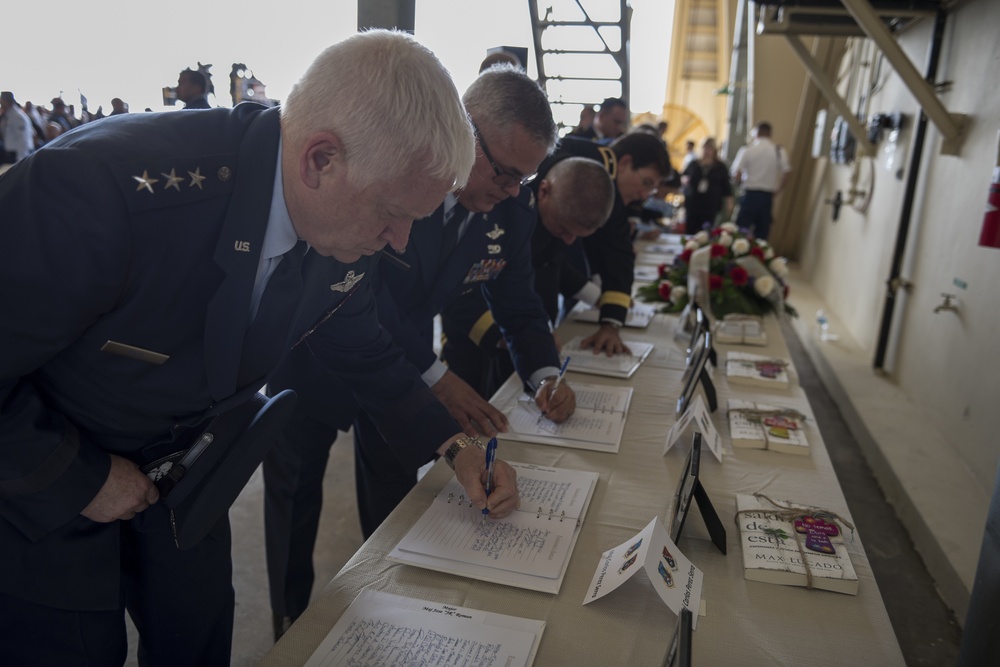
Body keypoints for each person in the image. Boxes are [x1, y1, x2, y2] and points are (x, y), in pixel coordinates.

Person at [0, 30, 520, 666]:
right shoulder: (101, 191)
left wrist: (455, 446)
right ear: (319, 160)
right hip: (43, 482)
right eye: (391, 213)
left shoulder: (338, 227)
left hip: (186, 481)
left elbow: (363, 348)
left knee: (198, 639)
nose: (400, 243)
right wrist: (79, 475)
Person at [263, 64, 575, 639]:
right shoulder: (394, 172)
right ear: (463, 128)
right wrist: (436, 373)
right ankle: (292, 619)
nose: (510, 191)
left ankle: (391, 603)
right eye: (504, 172)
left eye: (523, 181)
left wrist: (544, 371)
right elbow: (360, 295)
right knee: (293, 495)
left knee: (397, 488)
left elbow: (519, 301)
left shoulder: (507, 209)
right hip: (317, 358)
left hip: (395, 374)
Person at [441, 157, 615, 394]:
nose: (568, 241)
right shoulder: (507, 212)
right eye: (564, 230)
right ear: (544, 191)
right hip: (475, 337)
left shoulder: (556, 212)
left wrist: (597, 298)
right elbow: (460, 294)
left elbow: (556, 265)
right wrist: (501, 335)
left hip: (523, 336)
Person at [546, 133, 671, 352]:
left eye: (650, 189)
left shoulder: (612, 191)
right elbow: (543, 254)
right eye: (646, 183)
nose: (643, 196)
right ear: (625, 163)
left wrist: (611, 323)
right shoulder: (577, 163)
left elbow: (619, 256)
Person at [730, 121, 791, 240]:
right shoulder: (778, 151)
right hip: (767, 197)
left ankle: (738, 255)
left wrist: (740, 183)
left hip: (749, 194)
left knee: (741, 231)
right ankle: (759, 256)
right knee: (762, 232)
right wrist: (778, 189)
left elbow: (736, 173)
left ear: (756, 134)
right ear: (770, 134)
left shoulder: (747, 150)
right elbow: (787, 171)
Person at [681, 137, 733, 234]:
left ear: (714, 150)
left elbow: (726, 186)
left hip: (710, 203)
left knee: (706, 231)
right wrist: (684, 180)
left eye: (709, 148)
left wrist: (729, 202)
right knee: (690, 228)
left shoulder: (720, 166)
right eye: (705, 148)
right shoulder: (694, 164)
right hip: (693, 202)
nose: (706, 151)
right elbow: (684, 175)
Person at [0, 91, 35, 164]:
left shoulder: (17, 116)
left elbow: (22, 139)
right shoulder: (7, 115)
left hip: (18, 154)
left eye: (1, 100)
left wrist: (21, 160)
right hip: (11, 153)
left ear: (6, 101)